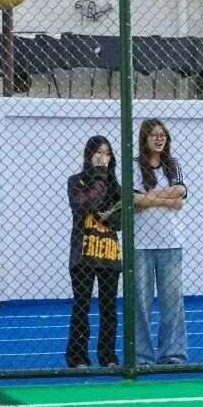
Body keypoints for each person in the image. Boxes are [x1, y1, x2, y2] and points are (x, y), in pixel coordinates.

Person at [133, 119, 188, 365]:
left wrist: (149, 198)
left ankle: (172, 355)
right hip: (141, 244)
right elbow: (134, 199)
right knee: (140, 304)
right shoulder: (134, 166)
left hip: (171, 243)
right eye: (154, 135)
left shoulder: (172, 165)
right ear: (144, 139)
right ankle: (141, 357)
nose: (159, 139)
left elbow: (181, 192)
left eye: (162, 135)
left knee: (172, 303)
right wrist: (167, 201)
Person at [66, 136, 122, 368]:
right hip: (84, 254)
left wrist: (109, 217)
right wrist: (99, 177)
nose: (102, 157)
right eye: (98, 152)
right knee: (81, 306)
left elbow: (121, 220)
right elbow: (84, 205)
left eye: (107, 153)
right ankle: (78, 357)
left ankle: (108, 357)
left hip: (109, 253)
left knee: (109, 309)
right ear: (88, 155)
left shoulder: (115, 185)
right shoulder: (76, 181)